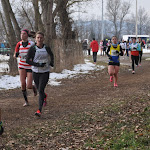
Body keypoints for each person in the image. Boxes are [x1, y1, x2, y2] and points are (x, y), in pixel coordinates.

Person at [26, 31, 54, 117]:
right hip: (35, 71)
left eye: (41, 38)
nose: (39, 39)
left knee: (41, 89)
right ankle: (44, 96)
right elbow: (27, 60)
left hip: (45, 72)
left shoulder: (46, 47)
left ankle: (39, 110)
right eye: (38, 38)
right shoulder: (33, 48)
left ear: (43, 39)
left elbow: (52, 55)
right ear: (35, 39)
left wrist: (51, 62)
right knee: (39, 90)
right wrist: (38, 64)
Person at [14, 29, 37, 107]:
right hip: (21, 66)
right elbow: (15, 54)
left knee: (29, 86)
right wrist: (16, 55)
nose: (22, 35)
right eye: (21, 34)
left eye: (24, 34)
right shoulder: (19, 44)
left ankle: (33, 87)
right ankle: (26, 101)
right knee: (23, 84)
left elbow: (36, 52)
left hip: (30, 66)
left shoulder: (32, 44)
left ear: (27, 35)